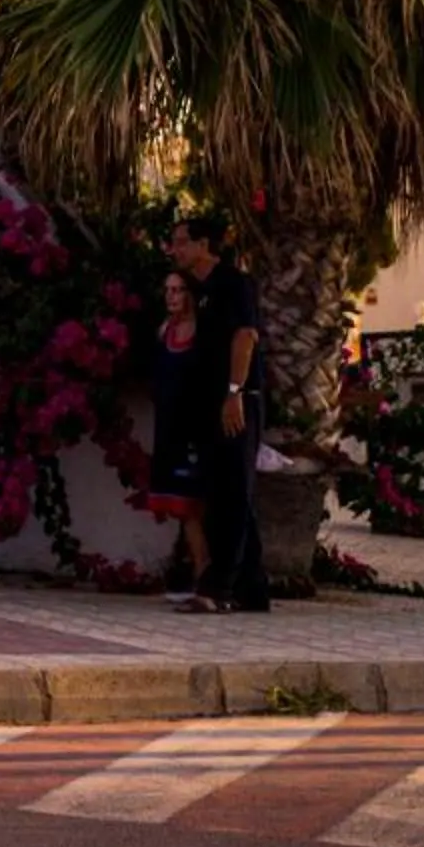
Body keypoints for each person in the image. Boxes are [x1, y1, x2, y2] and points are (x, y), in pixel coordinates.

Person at [169, 212, 268, 613]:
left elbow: (245, 337)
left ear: (202, 245)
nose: (174, 249)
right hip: (210, 401)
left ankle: (218, 588)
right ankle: (252, 586)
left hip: (236, 400)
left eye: (180, 241)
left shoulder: (233, 285)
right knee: (224, 489)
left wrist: (234, 392)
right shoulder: (198, 290)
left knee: (231, 492)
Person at [144, 268, 207, 602]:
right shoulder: (164, 331)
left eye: (179, 289)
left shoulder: (201, 335)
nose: (171, 296)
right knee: (181, 506)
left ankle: (203, 572)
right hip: (168, 426)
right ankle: (195, 570)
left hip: (193, 427)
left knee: (194, 505)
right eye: (168, 289)